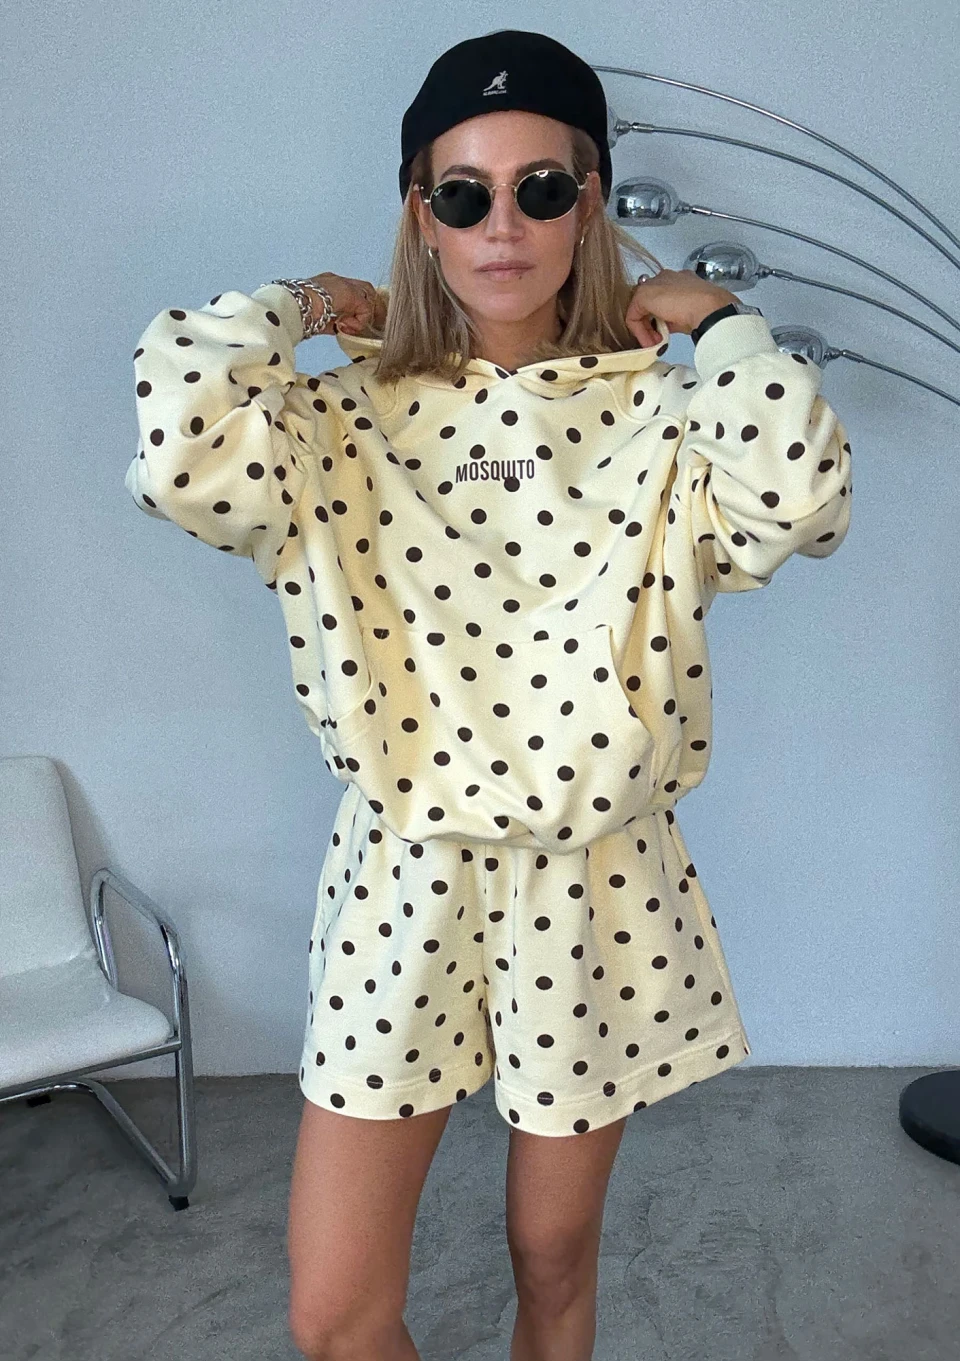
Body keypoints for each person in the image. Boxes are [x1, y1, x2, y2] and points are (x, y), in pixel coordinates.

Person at [125, 28, 853, 1362]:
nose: (501, 224)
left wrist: (723, 323)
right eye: (461, 193)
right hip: (400, 873)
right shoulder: (334, 421)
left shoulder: (666, 416)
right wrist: (305, 302)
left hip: (595, 881)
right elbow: (179, 439)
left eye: (542, 188)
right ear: (422, 213)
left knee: (553, 1258)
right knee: (336, 1315)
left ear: (590, 205)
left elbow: (799, 497)